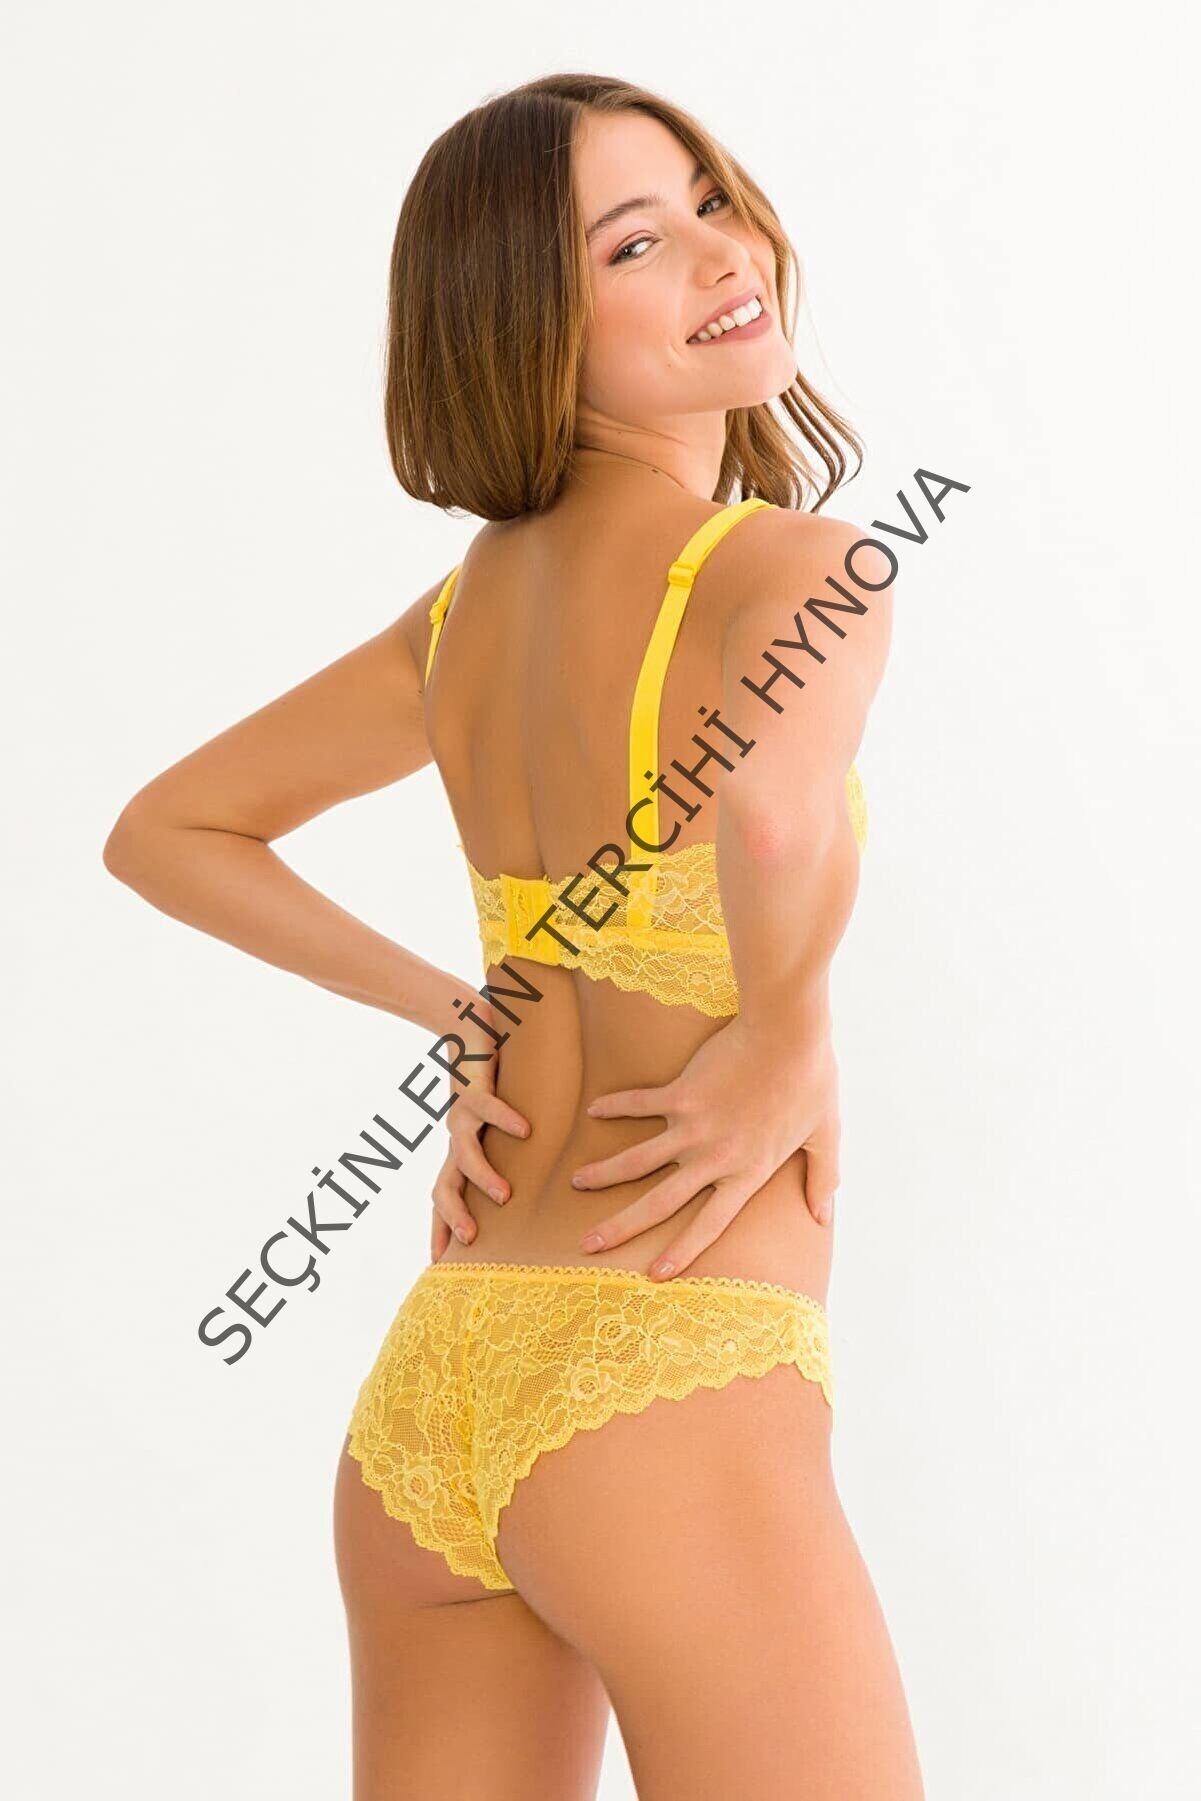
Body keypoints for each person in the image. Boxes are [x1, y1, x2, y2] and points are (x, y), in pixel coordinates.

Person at [103, 72, 924, 1801]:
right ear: (527, 330)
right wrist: (787, 1030)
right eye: (634, 244)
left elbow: (169, 828)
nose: (719, 252)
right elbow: (774, 818)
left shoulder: (463, 617)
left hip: (436, 1393)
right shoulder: (794, 569)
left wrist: (462, 1013)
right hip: (667, 1382)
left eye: (707, 198)